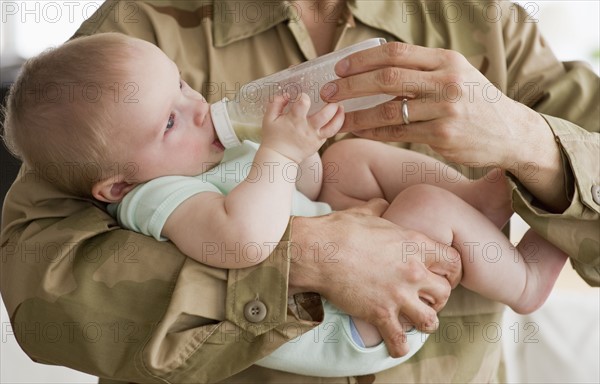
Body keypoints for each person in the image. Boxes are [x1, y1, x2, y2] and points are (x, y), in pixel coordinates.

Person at [0, 1, 597, 383]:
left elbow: (304, 181)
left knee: (350, 162)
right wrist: (315, 255)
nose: (195, 105)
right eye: (170, 120)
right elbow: (44, 289)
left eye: (188, 88)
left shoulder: (481, 19)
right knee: (420, 207)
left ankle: (484, 198)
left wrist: (530, 142)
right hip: (346, 333)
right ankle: (523, 278)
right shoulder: (130, 36)